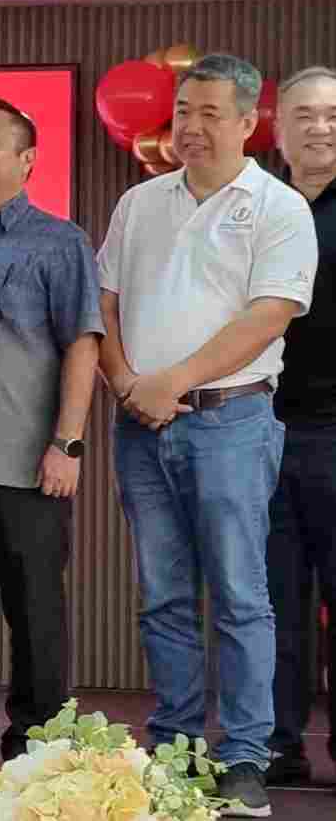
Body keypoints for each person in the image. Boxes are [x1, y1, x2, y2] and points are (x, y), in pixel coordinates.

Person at [96, 53, 317, 818]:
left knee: (239, 596)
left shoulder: (278, 206)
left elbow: (268, 316)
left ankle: (247, 757)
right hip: (140, 424)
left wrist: (172, 379)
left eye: (208, 113)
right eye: (183, 110)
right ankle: (177, 747)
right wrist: (128, 382)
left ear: (248, 121)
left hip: (232, 422)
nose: (189, 126)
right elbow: (109, 305)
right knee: (162, 598)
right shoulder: (140, 203)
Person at [0, 98, 103, 760]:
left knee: (36, 614)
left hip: (27, 463)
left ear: (26, 160)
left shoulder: (58, 239)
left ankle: (40, 749)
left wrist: (67, 443)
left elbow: (82, 342)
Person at [264, 65, 336, 789]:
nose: (321, 127)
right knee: (272, 601)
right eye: (306, 115)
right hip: (258, 430)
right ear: (278, 129)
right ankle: (279, 745)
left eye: (333, 115)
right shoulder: (252, 204)